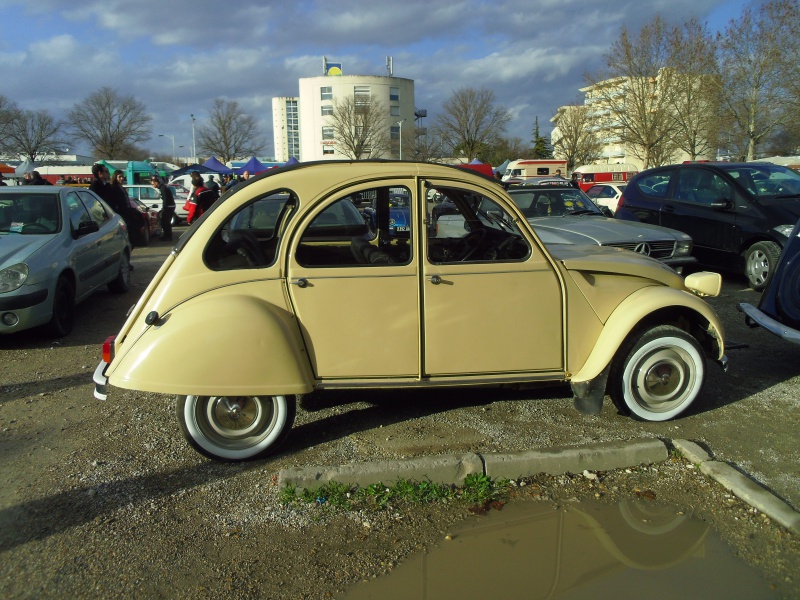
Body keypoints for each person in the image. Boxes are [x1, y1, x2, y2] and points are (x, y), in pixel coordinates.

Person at [110, 170, 145, 260]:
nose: (122, 179)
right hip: (122, 215)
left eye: (122, 177)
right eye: (119, 177)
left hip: (128, 213)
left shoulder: (121, 188)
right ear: (115, 178)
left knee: (133, 238)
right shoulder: (114, 188)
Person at [151, 176, 175, 241]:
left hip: (169, 207)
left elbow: (165, 200)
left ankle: (168, 236)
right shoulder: (162, 187)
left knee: (165, 222)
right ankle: (167, 235)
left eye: (152, 183)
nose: (152, 184)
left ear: (156, 182)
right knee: (164, 221)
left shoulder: (163, 188)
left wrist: (164, 208)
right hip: (169, 206)